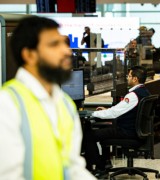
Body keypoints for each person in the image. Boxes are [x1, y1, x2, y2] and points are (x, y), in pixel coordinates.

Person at [0, 16, 95, 180]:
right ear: (29, 55)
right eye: (54, 44)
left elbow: (73, 168)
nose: (66, 51)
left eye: (63, 43)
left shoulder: (64, 103)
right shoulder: (7, 104)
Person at [83, 66, 150, 177]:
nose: (127, 78)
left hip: (126, 132)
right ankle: (106, 163)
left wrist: (92, 114)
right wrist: (108, 110)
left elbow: (114, 113)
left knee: (88, 136)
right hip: (135, 131)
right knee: (102, 129)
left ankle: (100, 167)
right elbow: (119, 109)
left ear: (135, 79)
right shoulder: (144, 91)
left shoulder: (133, 96)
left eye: (129, 76)